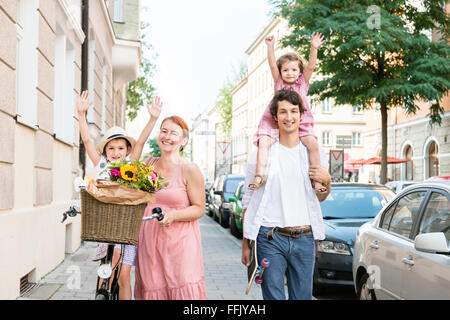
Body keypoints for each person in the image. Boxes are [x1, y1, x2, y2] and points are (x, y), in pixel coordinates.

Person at [241, 89, 331, 300]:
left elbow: (322, 196)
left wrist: (326, 181)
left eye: (293, 111)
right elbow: (248, 199)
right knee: (273, 297)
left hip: (304, 237)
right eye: (283, 112)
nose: (288, 117)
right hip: (270, 238)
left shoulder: (313, 153)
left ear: (301, 115)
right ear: (275, 116)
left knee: (302, 297)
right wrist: (245, 244)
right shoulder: (261, 154)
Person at [76, 90, 162, 300]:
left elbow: (141, 142)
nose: (116, 152)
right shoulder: (102, 164)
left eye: (120, 148)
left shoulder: (131, 165)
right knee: (104, 272)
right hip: (107, 226)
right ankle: (100, 293)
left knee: (124, 277)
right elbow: (87, 140)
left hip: (126, 228)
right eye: (111, 148)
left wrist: (153, 118)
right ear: (105, 151)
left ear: (127, 150)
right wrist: (81, 115)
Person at [134, 115, 207, 300]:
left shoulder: (189, 169)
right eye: (163, 131)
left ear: (183, 140)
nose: (167, 136)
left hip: (181, 243)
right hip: (150, 241)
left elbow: (199, 208)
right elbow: (132, 156)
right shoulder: (147, 164)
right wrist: (151, 119)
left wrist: (173, 215)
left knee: (182, 291)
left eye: (173, 133)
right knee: (153, 288)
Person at [249, 33, 326, 194]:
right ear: (281, 71)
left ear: (299, 72)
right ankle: (259, 175)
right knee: (264, 143)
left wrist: (314, 48)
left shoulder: (302, 83)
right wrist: (270, 47)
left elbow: (311, 66)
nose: (289, 73)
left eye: (293, 69)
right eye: (285, 70)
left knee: (313, 144)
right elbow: (271, 65)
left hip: (301, 120)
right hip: (273, 118)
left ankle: (317, 181)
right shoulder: (279, 82)